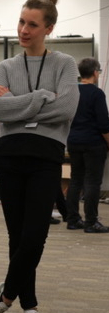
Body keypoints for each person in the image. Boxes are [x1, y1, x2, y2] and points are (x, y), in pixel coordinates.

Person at [0, 0, 79, 313]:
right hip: (9, 156)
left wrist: (18, 103)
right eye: (21, 21)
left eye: (32, 24)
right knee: (17, 235)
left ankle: (6, 296)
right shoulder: (6, 66)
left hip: (45, 156)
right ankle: (29, 306)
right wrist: (39, 98)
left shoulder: (64, 63)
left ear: (48, 28)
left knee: (36, 234)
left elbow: (66, 107)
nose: (24, 29)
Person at [65, 57, 109, 233]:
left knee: (76, 180)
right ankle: (91, 222)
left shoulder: (72, 91)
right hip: (93, 143)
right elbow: (104, 125)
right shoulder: (97, 94)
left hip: (74, 141)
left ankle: (73, 220)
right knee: (92, 182)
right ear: (95, 72)